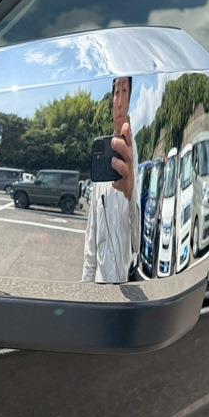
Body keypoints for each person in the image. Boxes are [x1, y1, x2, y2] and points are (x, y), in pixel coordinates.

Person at [82, 77, 140, 283]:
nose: (120, 101)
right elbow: (91, 239)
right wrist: (85, 289)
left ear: (130, 100)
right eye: (116, 92)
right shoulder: (101, 165)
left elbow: (137, 243)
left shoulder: (136, 157)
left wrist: (131, 192)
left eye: (125, 92)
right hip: (99, 288)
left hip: (127, 287)